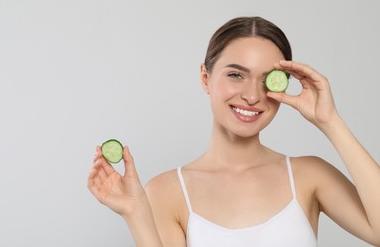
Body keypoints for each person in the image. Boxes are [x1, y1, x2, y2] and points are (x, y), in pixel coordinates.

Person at [87, 16, 380, 246]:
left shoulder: (310, 175)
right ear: (206, 77)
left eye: (269, 80)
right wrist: (136, 214)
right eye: (236, 75)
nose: (252, 95)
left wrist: (330, 121)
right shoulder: (167, 190)